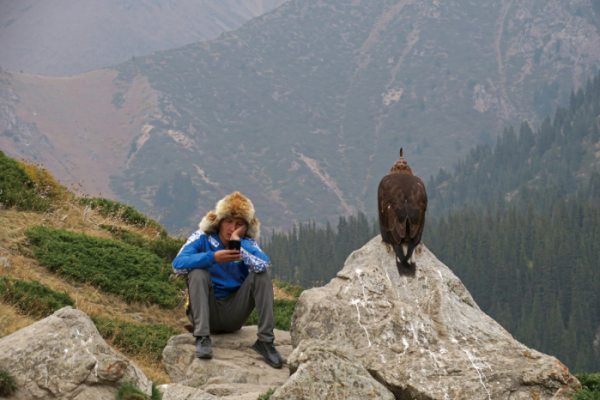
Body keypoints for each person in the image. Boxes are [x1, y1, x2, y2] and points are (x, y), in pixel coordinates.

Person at [172, 191, 283, 369]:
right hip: (206, 310)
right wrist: (213, 257)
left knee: (261, 275)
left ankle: (265, 341)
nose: (232, 228)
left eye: (239, 224)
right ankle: (202, 338)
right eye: (228, 222)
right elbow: (177, 264)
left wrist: (238, 242)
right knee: (198, 272)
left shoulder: (247, 243)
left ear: (246, 227)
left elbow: (263, 264)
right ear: (219, 221)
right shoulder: (202, 237)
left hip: (235, 313)